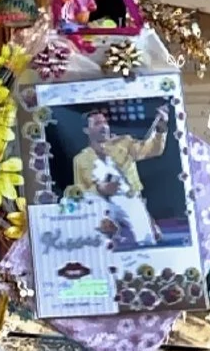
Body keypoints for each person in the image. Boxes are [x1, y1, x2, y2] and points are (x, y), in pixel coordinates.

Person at [69, 104, 171, 248]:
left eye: (105, 122)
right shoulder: (81, 159)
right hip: (100, 204)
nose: (104, 126)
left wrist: (160, 129)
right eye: (97, 123)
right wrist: (100, 189)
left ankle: (147, 225)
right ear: (86, 129)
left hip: (127, 198)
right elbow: (81, 190)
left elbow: (152, 149)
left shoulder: (123, 143)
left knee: (147, 241)